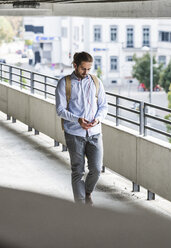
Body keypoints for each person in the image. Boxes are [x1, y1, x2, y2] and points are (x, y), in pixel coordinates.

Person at [55, 52, 108, 205]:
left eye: (89, 69)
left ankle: (87, 192)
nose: (86, 72)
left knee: (96, 169)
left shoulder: (96, 82)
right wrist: (77, 120)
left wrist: (98, 119)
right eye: (83, 69)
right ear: (75, 65)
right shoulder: (64, 83)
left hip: (95, 133)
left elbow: (103, 106)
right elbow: (60, 110)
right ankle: (80, 205)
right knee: (78, 171)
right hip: (74, 133)